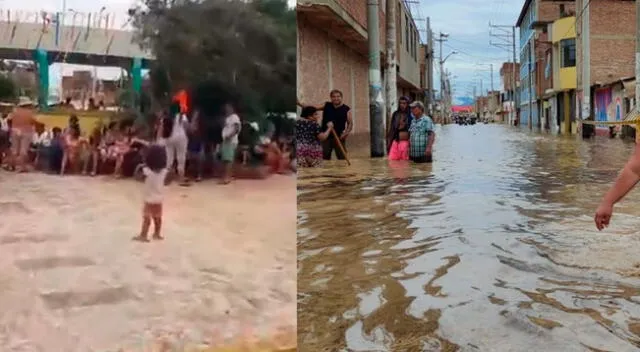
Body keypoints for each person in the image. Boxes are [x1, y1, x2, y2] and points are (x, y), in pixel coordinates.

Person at [297, 89, 353, 160]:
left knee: (342, 158)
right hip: (325, 136)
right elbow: (312, 107)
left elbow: (350, 124)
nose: (336, 98)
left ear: (341, 97)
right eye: (334, 96)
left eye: (338, 96)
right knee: (324, 158)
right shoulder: (326, 105)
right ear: (331, 98)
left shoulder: (346, 109)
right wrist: (299, 103)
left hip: (339, 136)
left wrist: (345, 133)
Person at [132, 144, 168, 242]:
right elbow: (168, 181)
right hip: (159, 198)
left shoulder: (146, 171)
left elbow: (136, 177)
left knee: (147, 218)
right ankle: (157, 233)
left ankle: (143, 235)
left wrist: (140, 165)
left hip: (149, 198)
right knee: (158, 217)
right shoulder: (164, 171)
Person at [7, 97, 38, 172]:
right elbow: (34, 121)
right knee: (23, 151)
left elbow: (9, 119)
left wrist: (11, 127)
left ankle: (11, 165)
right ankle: (22, 167)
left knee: (14, 150)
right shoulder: (29, 112)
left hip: (15, 130)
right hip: (26, 131)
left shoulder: (15, 111)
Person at [164, 102, 190, 185]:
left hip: (169, 138)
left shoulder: (167, 117)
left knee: (169, 159)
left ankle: (164, 178)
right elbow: (186, 127)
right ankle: (181, 179)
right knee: (181, 158)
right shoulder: (182, 116)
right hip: (181, 138)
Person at [220, 103, 241, 184]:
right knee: (226, 159)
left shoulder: (234, 117)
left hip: (230, 140)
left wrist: (229, 136)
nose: (226, 109)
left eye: (228, 108)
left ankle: (226, 178)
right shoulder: (227, 118)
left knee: (228, 160)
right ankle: (228, 176)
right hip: (225, 140)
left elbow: (237, 128)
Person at [387, 97, 412, 161]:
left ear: (407, 104)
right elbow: (392, 129)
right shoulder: (395, 114)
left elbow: (412, 130)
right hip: (396, 140)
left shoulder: (411, 115)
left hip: (405, 141)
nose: (402, 105)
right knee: (391, 160)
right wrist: (389, 142)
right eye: (400, 103)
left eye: (404, 103)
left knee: (404, 163)